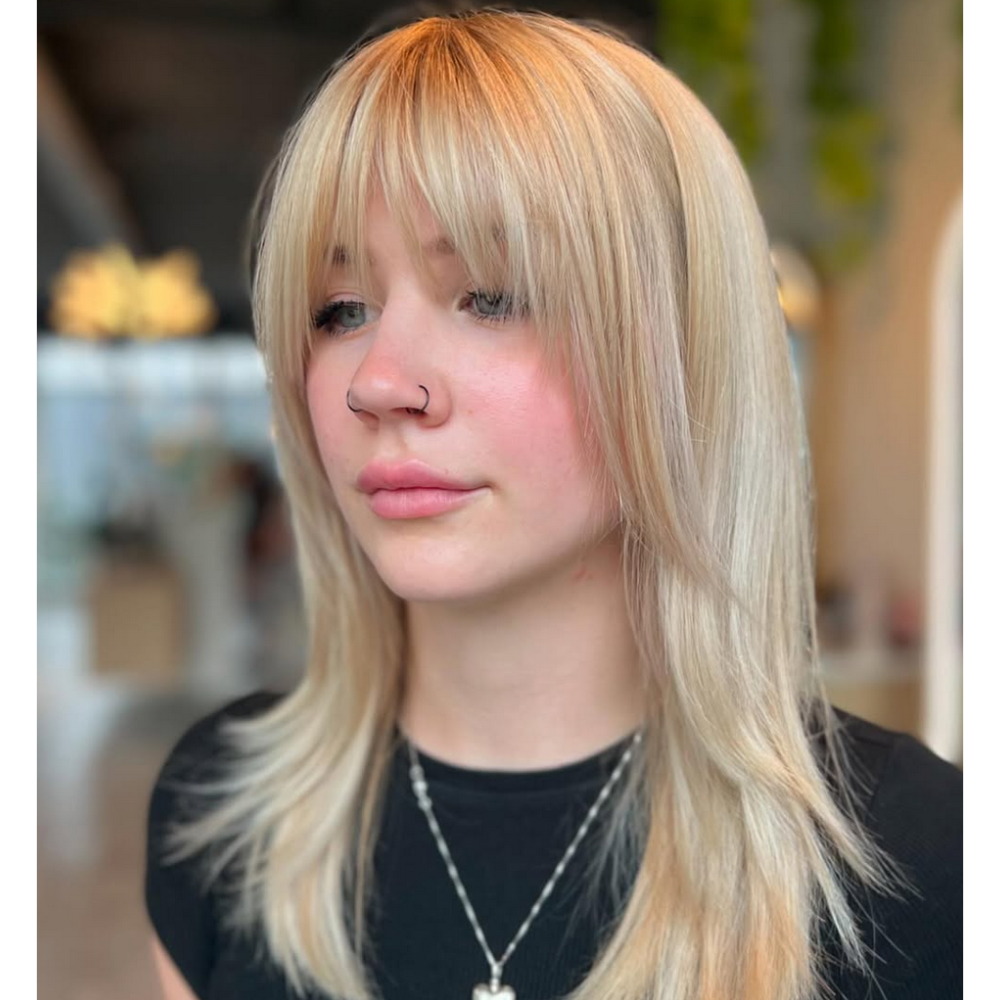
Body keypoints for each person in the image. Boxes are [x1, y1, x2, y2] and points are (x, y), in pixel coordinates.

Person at [144, 8, 962, 1000]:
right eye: (340, 309)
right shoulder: (221, 817)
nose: (377, 381)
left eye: (490, 293)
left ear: (678, 353)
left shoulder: (918, 858)